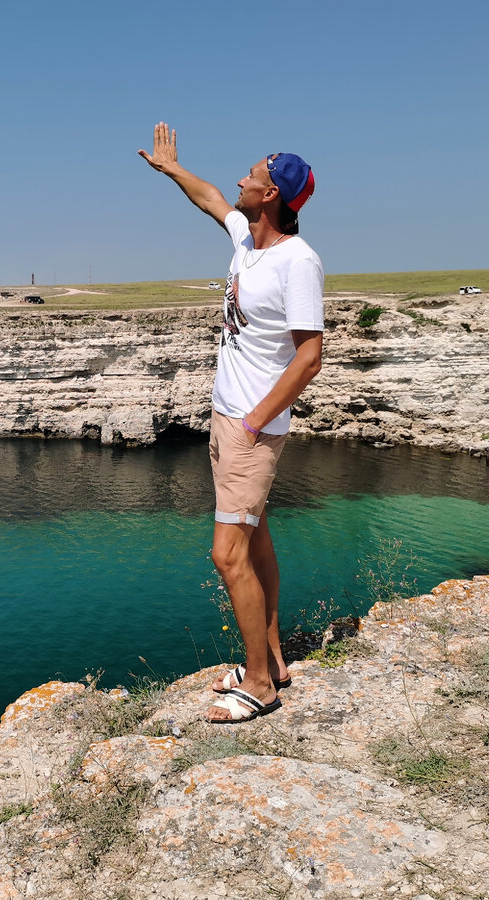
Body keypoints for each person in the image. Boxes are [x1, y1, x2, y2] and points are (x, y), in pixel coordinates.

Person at [138, 121, 324, 724]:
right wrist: (172, 171)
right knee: (256, 536)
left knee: (227, 554)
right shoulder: (247, 239)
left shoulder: (298, 262)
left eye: (254, 175)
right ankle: (269, 657)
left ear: (272, 195)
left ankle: (262, 687)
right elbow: (212, 197)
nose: (242, 180)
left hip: (249, 429)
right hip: (229, 421)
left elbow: (310, 354)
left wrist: (253, 422)